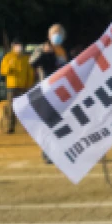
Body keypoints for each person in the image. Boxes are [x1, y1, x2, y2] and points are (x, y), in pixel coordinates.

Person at [31, 25, 70, 164]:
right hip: (46, 91)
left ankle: (59, 150)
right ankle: (47, 151)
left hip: (61, 91)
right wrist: (44, 54)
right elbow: (32, 63)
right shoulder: (42, 49)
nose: (57, 35)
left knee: (60, 122)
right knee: (48, 122)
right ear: (49, 35)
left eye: (59, 33)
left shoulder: (63, 51)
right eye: (54, 33)